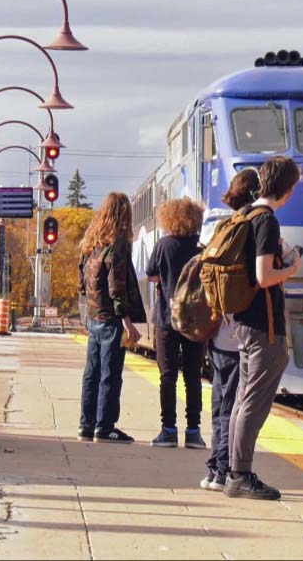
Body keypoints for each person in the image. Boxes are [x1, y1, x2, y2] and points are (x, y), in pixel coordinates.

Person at [224, 157, 302, 500]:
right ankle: (240, 474)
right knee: (253, 403)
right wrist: (292, 269)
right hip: (263, 327)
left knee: (242, 401)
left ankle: (233, 470)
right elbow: (263, 276)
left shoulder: (244, 215)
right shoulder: (266, 221)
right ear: (287, 189)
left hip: (242, 323)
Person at [78, 192, 146, 443]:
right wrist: (127, 321)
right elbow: (116, 284)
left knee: (92, 373)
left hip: (94, 316)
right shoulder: (117, 242)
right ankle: (105, 427)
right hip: (110, 320)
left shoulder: (90, 241)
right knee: (110, 373)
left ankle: (86, 425)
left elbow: (81, 280)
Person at [146, 197, 208, 449]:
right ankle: (194, 433)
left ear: (168, 218)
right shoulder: (202, 246)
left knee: (167, 376)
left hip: (167, 318)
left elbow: (151, 275)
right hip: (196, 320)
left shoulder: (164, 245)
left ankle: (168, 431)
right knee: (193, 377)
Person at [197, 203, 243, 491]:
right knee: (231, 409)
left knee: (218, 407)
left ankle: (214, 469)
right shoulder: (239, 253)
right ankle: (224, 470)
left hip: (215, 340)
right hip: (237, 341)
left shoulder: (207, 254)